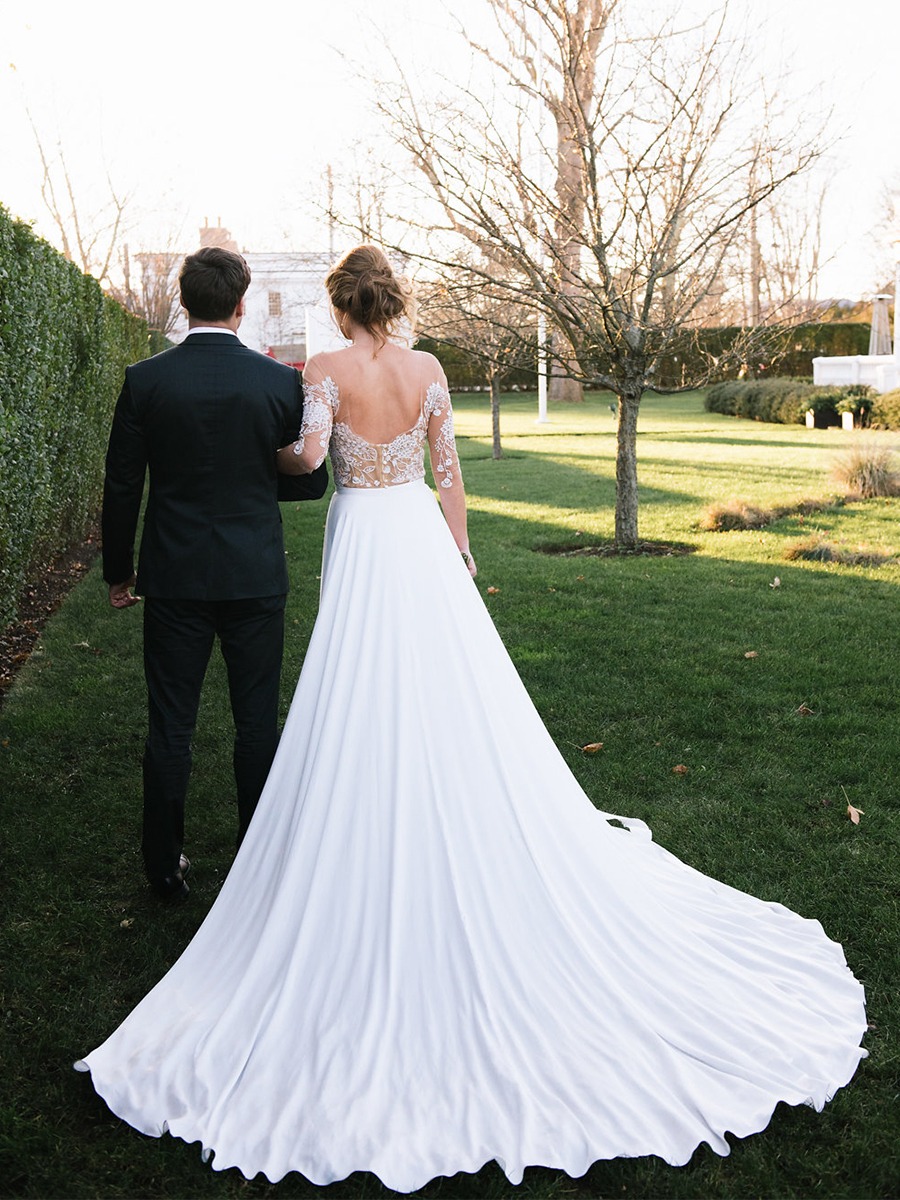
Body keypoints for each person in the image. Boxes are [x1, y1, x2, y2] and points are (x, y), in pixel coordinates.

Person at [77, 245, 866, 1192]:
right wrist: (461, 555)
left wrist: (271, 449)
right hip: (413, 536)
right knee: (441, 686)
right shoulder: (432, 372)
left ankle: (301, 832)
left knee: (346, 684)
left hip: (362, 541)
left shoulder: (320, 374)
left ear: (336, 307)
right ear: (394, 302)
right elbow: (450, 474)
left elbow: (313, 460)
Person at [101, 246, 328, 901]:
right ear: (240, 303)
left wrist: (121, 571)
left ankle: (164, 869)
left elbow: (122, 486)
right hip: (254, 572)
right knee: (257, 722)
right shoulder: (278, 382)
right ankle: (258, 867)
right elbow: (311, 483)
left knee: (171, 724)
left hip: (172, 575)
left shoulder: (145, 381)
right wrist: (253, 488)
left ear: (183, 298)